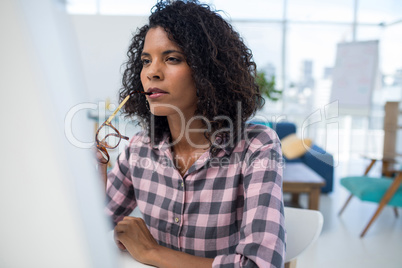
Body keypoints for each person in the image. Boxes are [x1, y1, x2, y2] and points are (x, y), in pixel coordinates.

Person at [97, 1, 286, 267]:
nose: (152, 72)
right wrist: (95, 175)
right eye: (145, 61)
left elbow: (259, 264)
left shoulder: (256, 147)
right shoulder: (139, 147)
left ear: (209, 69)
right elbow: (89, 228)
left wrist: (152, 253)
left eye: (172, 58)